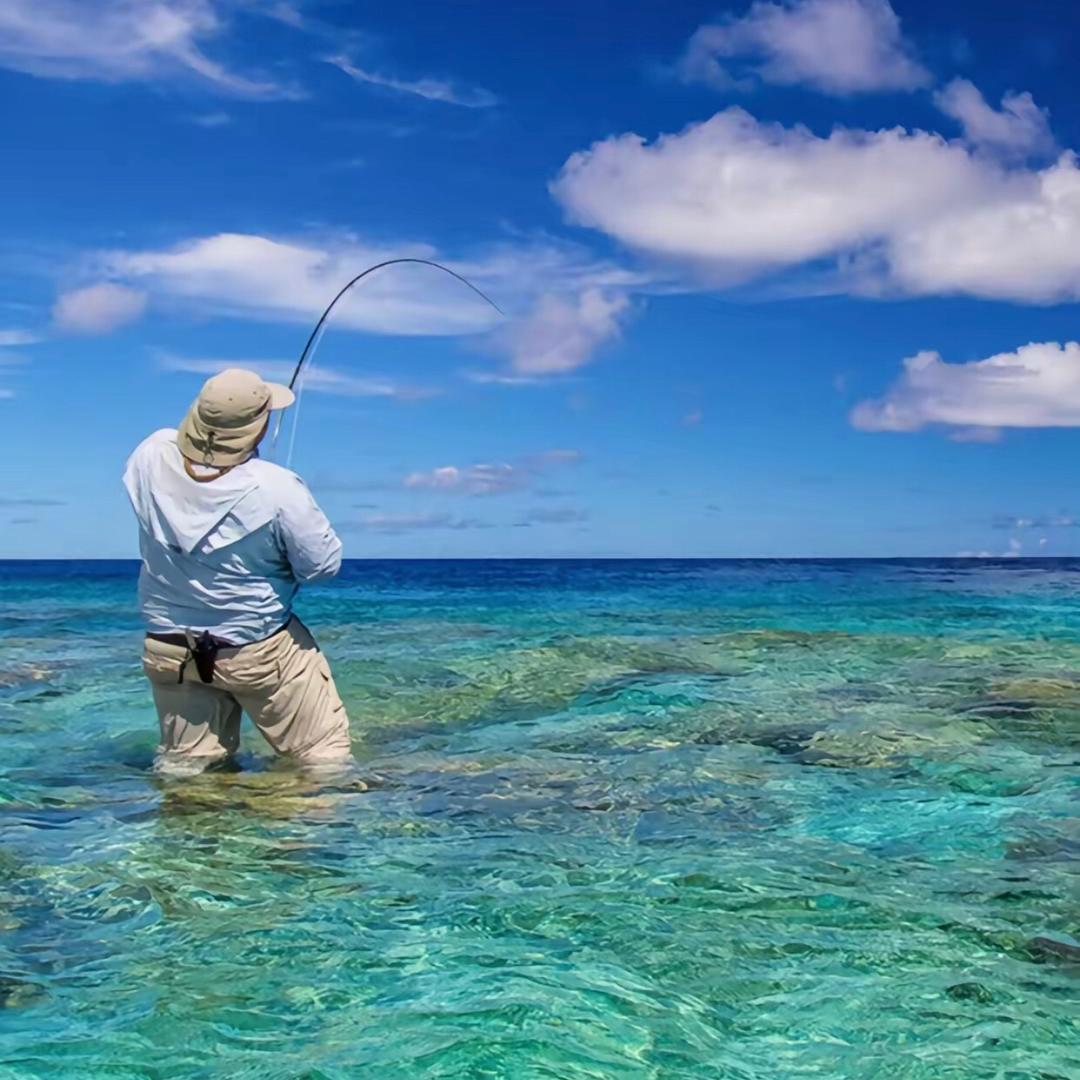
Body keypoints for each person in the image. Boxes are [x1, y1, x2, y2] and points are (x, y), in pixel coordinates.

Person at [123, 368, 351, 775]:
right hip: (257, 652)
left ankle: (185, 837)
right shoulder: (277, 488)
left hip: (169, 649)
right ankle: (308, 836)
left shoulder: (149, 454)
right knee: (322, 761)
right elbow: (321, 567)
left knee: (185, 773)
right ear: (258, 427)